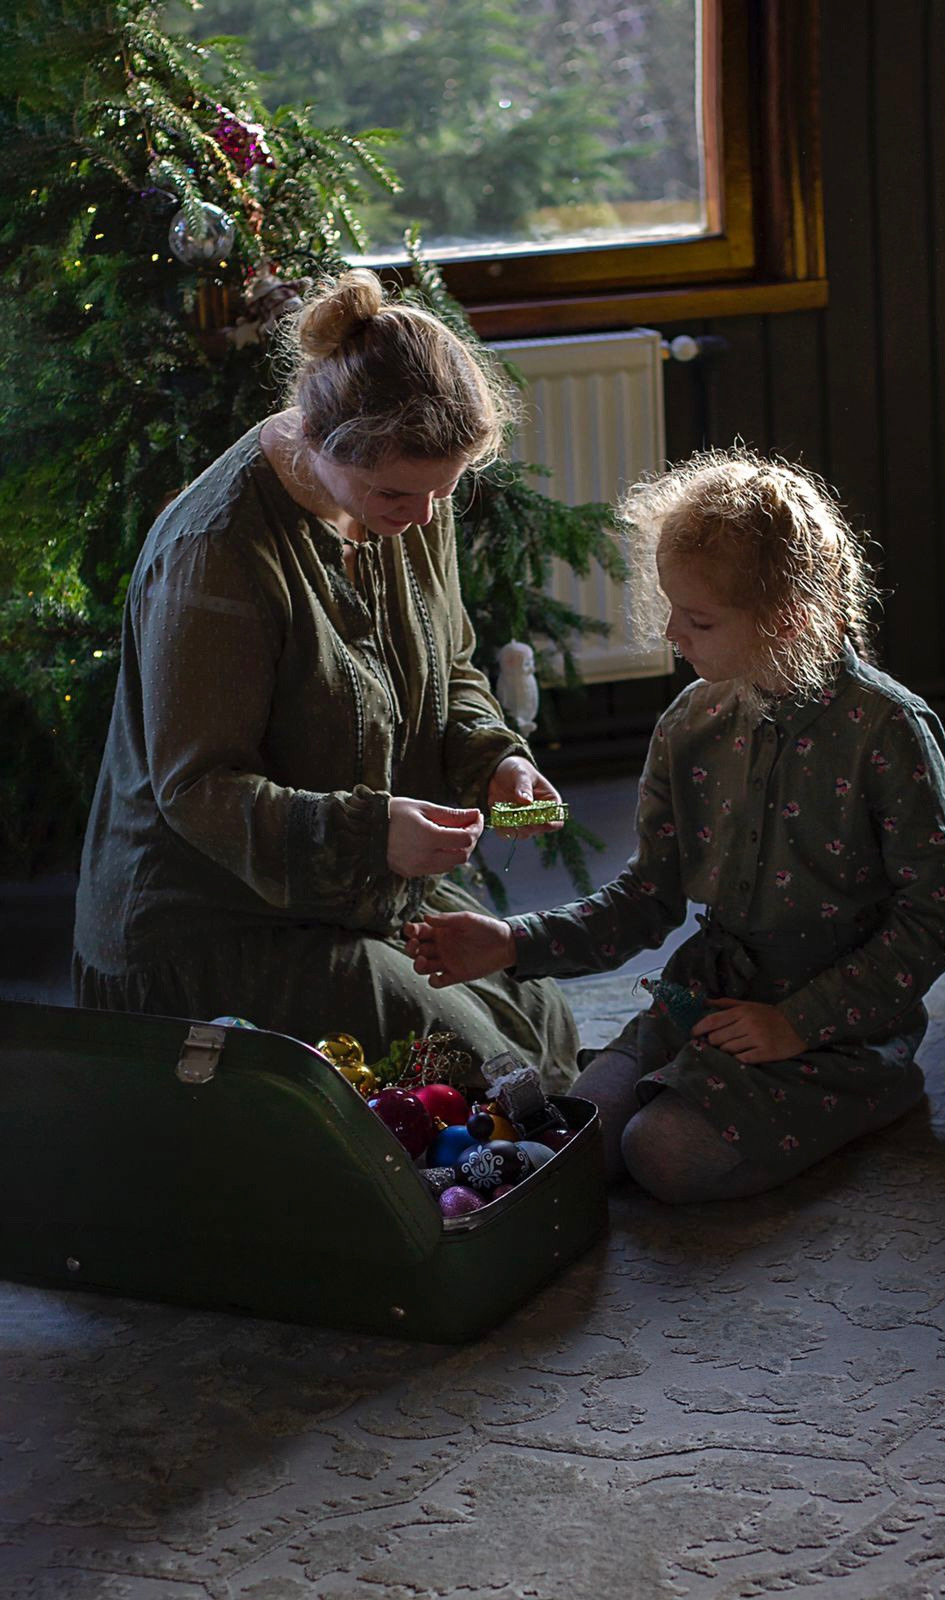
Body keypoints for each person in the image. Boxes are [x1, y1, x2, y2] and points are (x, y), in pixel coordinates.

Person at [404, 446, 945, 1202]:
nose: (672, 632)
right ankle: (689, 1088)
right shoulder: (689, 725)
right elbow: (649, 898)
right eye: (671, 608)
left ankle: (879, 1089)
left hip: (837, 1028)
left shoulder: (888, 731)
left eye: (697, 619)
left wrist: (798, 1023)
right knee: (574, 1139)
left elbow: (930, 922)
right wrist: (513, 942)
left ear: (791, 619)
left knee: (662, 1156)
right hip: (704, 1004)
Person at [72, 268, 578, 1085]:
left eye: (445, 490)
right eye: (397, 493)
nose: (421, 515)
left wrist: (497, 760)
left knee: (541, 1012)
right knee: (487, 1068)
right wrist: (371, 833)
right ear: (316, 439)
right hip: (210, 922)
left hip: (351, 892)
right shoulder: (218, 553)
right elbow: (197, 789)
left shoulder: (406, 493)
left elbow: (448, 666)